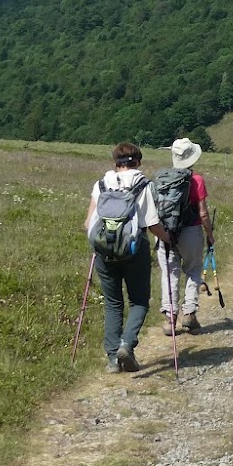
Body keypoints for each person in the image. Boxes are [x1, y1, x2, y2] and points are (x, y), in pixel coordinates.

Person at [83, 142, 170, 373]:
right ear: (138, 162)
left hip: (104, 251)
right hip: (134, 248)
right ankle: (127, 344)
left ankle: (113, 359)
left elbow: (87, 223)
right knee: (139, 300)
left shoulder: (101, 184)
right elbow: (152, 224)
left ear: (115, 163)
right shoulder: (144, 185)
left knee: (112, 303)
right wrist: (168, 239)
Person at [159, 137, 214, 336]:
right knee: (193, 270)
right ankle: (189, 314)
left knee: (169, 274)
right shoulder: (196, 180)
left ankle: (169, 319)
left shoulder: (164, 178)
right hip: (190, 231)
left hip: (166, 232)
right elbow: (203, 213)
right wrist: (210, 235)